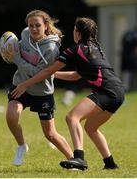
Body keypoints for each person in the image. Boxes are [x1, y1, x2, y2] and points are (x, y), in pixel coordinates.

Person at [10, 17, 125, 171]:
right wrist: (52, 75)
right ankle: (110, 164)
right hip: (118, 92)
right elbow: (76, 76)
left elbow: (48, 69)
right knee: (91, 127)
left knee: (72, 118)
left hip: (106, 91)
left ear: (77, 32)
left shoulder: (75, 49)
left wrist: (25, 84)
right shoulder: (95, 48)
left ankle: (79, 158)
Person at [2, 10, 73, 166]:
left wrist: (16, 59)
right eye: (31, 25)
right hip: (20, 85)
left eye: (38, 25)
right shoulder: (25, 34)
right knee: (11, 116)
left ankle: (73, 160)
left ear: (46, 25)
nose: (33, 29)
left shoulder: (51, 49)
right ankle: (22, 146)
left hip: (42, 91)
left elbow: (39, 73)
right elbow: (18, 49)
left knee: (50, 134)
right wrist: (9, 51)